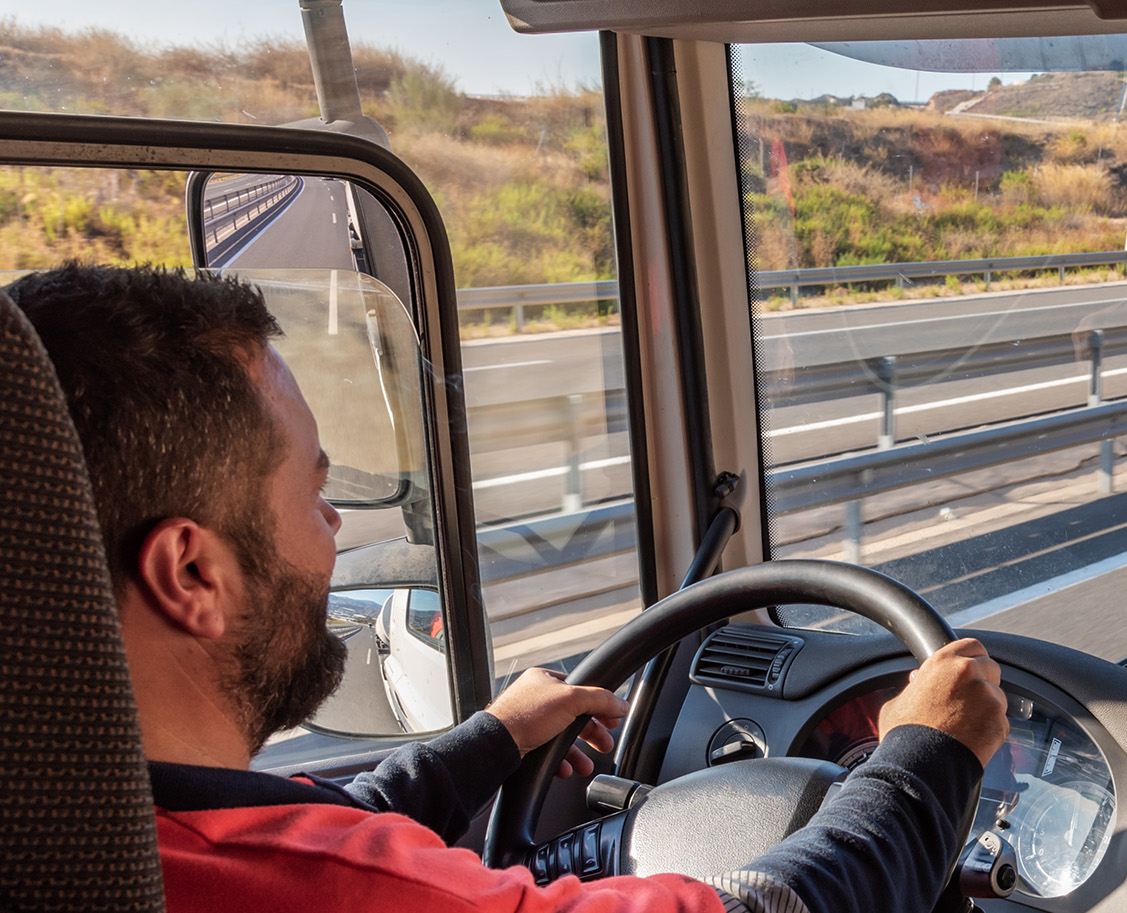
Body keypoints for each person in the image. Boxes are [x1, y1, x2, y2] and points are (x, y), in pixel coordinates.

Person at [10, 264, 1011, 913]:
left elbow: (320, 822)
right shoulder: (318, 888)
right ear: (192, 574)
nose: (333, 532)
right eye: (314, 493)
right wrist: (922, 759)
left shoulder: (90, 829)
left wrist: (491, 737)